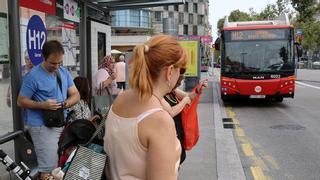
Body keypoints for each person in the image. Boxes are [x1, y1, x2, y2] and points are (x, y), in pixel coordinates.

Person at [104, 34, 187, 180]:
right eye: (181, 70)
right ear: (169, 72)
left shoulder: (121, 99)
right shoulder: (159, 120)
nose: (180, 76)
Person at [17, 40, 80, 180]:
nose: (56, 66)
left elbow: (76, 95)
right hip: (41, 126)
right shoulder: (32, 76)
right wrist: (43, 105)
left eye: (59, 63)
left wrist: (64, 104)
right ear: (44, 58)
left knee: (58, 167)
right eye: (53, 63)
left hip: (60, 122)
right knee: (48, 169)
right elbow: (20, 101)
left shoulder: (63, 72)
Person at [161, 74, 208, 165]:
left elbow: (189, 97)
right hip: (169, 136)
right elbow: (171, 112)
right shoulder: (159, 94)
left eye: (180, 81)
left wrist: (198, 89)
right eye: (177, 81)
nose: (179, 84)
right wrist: (184, 101)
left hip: (178, 133)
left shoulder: (173, 91)